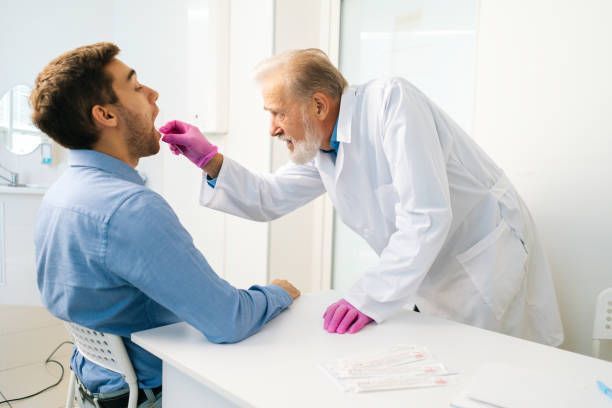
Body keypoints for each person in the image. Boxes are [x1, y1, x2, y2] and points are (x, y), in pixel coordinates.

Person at [160, 48, 564, 346]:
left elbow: (426, 215)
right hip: (433, 273)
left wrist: (367, 297)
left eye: (277, 113)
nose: (273, 128)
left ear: (318, 104)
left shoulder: (391, 103)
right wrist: (210, 160)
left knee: (498, 373)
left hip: (483, 260)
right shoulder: (323, 148)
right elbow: (269, 197)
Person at [31, 42, 300, 408]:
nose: (153, 93)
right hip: (153, 395)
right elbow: (229, 321)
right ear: (105, 115)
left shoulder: (62, 193)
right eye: (136, 85)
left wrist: (212, 161)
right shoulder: (130, 209)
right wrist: (279, 292)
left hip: (95, 382)